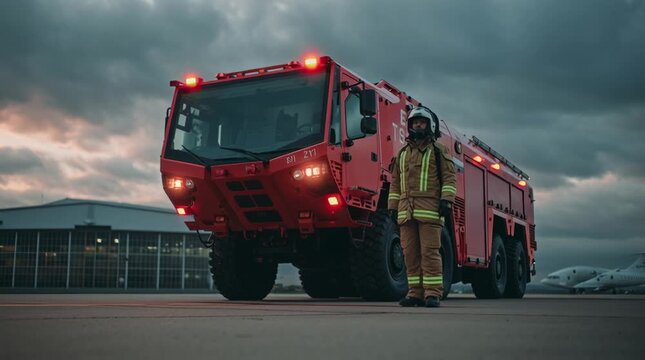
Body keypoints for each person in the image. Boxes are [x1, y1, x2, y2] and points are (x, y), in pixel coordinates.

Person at [388, 106, 457, 307]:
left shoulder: (438, 151)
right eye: (414, 122)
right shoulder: (402, 153)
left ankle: (433, 294)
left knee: (430, 253)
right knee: (409, 254)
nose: (418, 125)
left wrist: (447, 200)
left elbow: (450, 178)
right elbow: (395, 182)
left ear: (430, 125)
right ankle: (415, 294)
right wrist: (393, 206)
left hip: (430, 211)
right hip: (406, 212)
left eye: (422, 122)